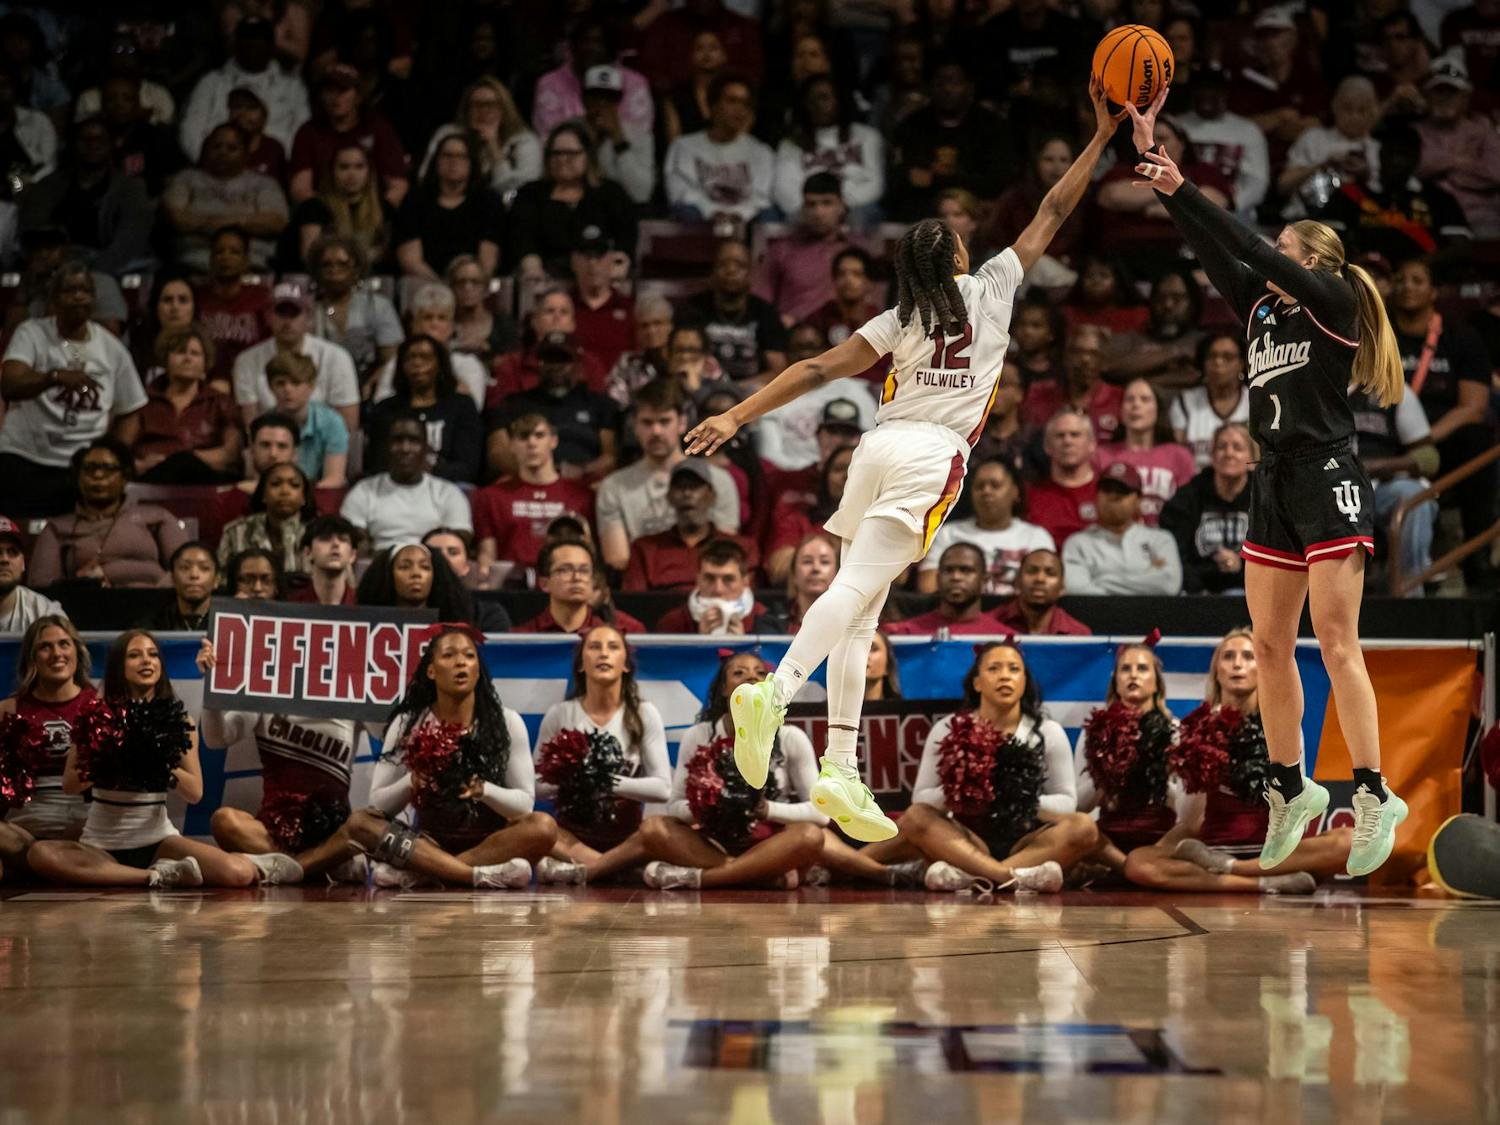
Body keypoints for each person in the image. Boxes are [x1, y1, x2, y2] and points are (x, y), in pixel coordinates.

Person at [683, 81, 1120, 843]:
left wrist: (735, 412)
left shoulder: (902, 315)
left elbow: (817, 369)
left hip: (876, 448)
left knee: (861, 613)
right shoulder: (991, 286)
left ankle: (842, 764)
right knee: (852, 590)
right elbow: (1052, 208)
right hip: (932, 455)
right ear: (955, 254)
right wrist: (1100, 135)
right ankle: (775, 692)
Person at [1131, 87, 1409, 875]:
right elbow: (1219, 252)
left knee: (1337, 641)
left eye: (1290, 249)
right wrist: (1165, 180)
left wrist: (1187, 186)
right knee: (1270, 644)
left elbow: (1249, 245)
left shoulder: (1335, 301)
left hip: (1327, 474)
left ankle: (1375, 790)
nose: (1275, 258)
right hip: (1272, 480)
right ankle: (1292, 786)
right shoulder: (1261, 313)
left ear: (1311, 261)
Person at [24, 631, 278, 889]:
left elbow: (194, 792)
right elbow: (70, 785)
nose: (147, 661)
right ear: (119, 668)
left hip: (159, 842)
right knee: (40, 854)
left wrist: (156, 759)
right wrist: (111, 753)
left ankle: (150, 870)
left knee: (238, 873)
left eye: (153, 654)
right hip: (101, 844)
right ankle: (154, 876)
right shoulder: (94, 717)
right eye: (134, 655)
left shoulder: (179, 722)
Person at [1123, 628, 1351, 894]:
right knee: (1138, 863)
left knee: (1350, 841)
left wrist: (1239, 861)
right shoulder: (1197, 727)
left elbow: (1294, 804)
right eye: (1228, 657)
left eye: (1248, 656)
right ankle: (1260, 884)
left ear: (1263, 666)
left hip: (1272, 851)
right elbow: (1189, 818)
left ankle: (1237, 871)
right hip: (1211, 847)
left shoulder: (1284, 726)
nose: (1238, 664)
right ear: (1217, 672)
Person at [346, 625, 554, 889]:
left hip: (490, 842)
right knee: (360, 823)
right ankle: (474, 875)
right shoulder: (407, 723)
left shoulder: (507, 722)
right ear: (431, 671)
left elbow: (524, 805)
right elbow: (378, 804)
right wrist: (412, 781)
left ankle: (427, 874)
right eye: (448, 655)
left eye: (469, 656)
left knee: (543, 827)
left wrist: (484, 790)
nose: (460, 663)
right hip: (427, 843)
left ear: (479, 670)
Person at [892, 641, 1096, 893]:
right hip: (967, 838)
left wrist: (1018, 799)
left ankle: (974, 877)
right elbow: (920, 797)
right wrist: (964, 792)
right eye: (994, 668)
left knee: (1084, 827)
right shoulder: (949, 728)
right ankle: (1011, 878)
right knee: (915, 818)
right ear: (977, 683)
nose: (1005, 676)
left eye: (1014, 669)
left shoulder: (1047, 731)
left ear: (1024, 681)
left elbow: (1067, 802)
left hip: (1028, 841)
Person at [638, 652, 825, 891]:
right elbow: (674, 806)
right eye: (739, 673)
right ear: (724, 689)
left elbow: (821, 814)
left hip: (770, 843)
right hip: (712, 843)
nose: (751, 678)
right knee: (653, 828)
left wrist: (767, 809)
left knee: (811, 836)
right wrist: (708, 807)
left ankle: (700, 879)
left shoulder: (791, 737)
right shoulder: (698, 735)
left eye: (760, 673)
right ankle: (759, 875)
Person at [196, 635, 364, 880]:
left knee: (363, 828)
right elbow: (216, 739)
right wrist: (211, 685)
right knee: (224, 821)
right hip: (274, 831)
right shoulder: (263, 694)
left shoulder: (350, 697)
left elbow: (388, 732)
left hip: (331, 832)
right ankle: (312, 867)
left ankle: (289, 867)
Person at [0, 263, 148, 518]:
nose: (78, 296)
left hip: (79, 467)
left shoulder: (111, 348)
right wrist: (53, 377)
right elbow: (9, 384)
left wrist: (110, 455)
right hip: (24, 457)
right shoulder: (32, 333)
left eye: (85, 290)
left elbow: (131, 410)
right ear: (54, 298)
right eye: (69, 290)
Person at [531, 625, 670, 885]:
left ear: (625, 665)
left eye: (613, 647)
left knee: (658, 830)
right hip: (571, 840)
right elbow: (532, 788)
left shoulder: (643, 713)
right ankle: (613, 869)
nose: (603, 654)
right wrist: (572, 778)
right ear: (581, 665)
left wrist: (606, 781)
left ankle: (588, 872)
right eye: (594, 647)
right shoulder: (560, 714)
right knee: (535, 826)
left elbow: (663, 788)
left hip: (627, 840)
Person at [1387, 257, 1495, 583]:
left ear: (1434, 291)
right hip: (1384, 438)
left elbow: (1473, 407)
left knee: (1477, 441)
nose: (1408, 287)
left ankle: (1478, 557)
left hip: (1440, 441)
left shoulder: (1461, 337)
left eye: (1418, 281)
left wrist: (1424, 438)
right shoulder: (1379, 334)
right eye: (1401, 279)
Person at [1073, 640, 1192, 877]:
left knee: (1192, 835)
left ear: (1157, 682)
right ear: (1115, 681)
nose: (1133, 675)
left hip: (1160, 838)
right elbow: (1079, 805)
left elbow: (1186, 809)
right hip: (1107, 840)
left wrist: (1159, 772)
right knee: (1076, 831)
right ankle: (1135, 871)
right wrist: (1107, 773)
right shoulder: (1094, 731)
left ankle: (1124, 870)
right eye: (1125, 669)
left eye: (1142, 668)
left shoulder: (1175, 730)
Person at [595, 380, 739, 571]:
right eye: (647, 422)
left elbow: (725, 550)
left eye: (664, 421)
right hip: (643, 588)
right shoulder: (613, 486)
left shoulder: (718, 480)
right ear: (634, 425)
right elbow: (618, 560)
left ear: (682, 423)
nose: (656, 431)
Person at [0, 618, 97, 877]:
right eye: (45, 647)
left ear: (77, 650)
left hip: (85, 826)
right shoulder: (8, 710)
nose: (56, 654)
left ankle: (44, 867)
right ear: (32, 658)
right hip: (24, 831)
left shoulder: (100, 704)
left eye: (64, 644)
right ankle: (51, 865)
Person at [28, 439, 188, 588]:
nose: (98, 476)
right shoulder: (58, 528)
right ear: (77, 478)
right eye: (89, 469)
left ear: (124, 477)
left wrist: (160, 590)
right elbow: (41, 586)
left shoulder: (156, 517)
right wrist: (80, 583)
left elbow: (189, 569)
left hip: (157, 605)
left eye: (108, 469)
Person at [1318, 123, 1470, 263]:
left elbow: (1460, 247)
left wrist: (1419, 266)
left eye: (1403, 154)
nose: (1395, 161)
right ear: (1380, 154)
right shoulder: (1349, 195)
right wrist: (1362, 268)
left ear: (1416, 158)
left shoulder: (1439, 199)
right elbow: (1326, 242)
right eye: (1390, 152)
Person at [472, 414, 594, 585]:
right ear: (512, 445)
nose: (531, 443)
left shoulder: (582, 496)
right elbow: (487, 554)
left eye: (539, 435)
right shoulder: (490, 497)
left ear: (553, 441)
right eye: (523, 436)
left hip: (566, 582)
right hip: (512, 586)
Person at [508, 121, 637, 282]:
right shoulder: (530, 194)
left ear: (588, 156)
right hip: (546, 277)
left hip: (600, 276)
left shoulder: (611, 193)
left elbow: (625, 237)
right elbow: (523, 239)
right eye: (556, 153)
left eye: (571, 153)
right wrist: (533, 268)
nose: (562, 159)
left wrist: (618, 263)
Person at [887, 58, 1014, 221]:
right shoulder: (911, 126)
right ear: (930, 87)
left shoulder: (992, 127)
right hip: (923, 210)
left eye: (954, 82)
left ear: (969, 87)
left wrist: (937, 179)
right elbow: (905, 179)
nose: (947, 89)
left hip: (976, 207)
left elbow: (998, 180)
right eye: (940, 83)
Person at [484, 332, 620, 482]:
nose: (555, 367)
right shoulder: (514, 404)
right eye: (549, 360)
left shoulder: (600, 404)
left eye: (563, 360)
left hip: (582, 482)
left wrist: (583, 471)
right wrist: (537, 474)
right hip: (525, 481)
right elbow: (497, 452)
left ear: (578, 364)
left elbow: (611, 457)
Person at [232, 280, 360, 433]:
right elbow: (251, 426)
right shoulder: (246, 361)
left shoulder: (337, 357)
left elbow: (347, 425)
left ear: (308, 317)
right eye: (281, 312)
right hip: (271, 449)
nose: (287, 322)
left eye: (294, 313)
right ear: (267, 316)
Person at [1350, 383, 1441, 594]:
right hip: (1327, 485)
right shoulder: (1314, 385)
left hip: (1377, 488)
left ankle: (1410, 594)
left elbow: (1429, 458)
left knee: (1414, 497)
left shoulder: (1390, 390)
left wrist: (1380, 466)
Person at [178, 16, 309, 163]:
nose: (252, 44)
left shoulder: (292, 86)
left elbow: (302, 134)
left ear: (271, 45)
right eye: (247, 38)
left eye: (259, 38)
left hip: (274, 169)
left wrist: (275, 163)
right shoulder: (211, 81)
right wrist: (214, 163)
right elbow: (190, 130)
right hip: (216, 168)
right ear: (236, 43)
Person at [918, 458, 1054, 598]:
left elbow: (1049, 589)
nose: (986, 491)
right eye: (979, 486)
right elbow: (928, 587)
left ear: (1015, 491)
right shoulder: (949, 533)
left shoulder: (1036, 537)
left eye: (995, 485)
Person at [162, 122, 288, 271]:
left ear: (246, 153)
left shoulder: (264, 184)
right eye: (216, 146)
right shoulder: (186, 178)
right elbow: (173, 216)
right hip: (193, 261)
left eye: (231, 148)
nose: (222, 152)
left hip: (252, 263)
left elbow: (276, 222)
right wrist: (240, 223)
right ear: (206, 149)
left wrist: (221, 223)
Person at [622, 460, 759, 593]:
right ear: (669, 497)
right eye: (680, 487)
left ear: (712, 496)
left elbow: (748, 602)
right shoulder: (644, 549)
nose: (687, 494)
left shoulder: (743, 548)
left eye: (695, 487)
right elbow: (634, 603)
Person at [341, 415, 473, 553]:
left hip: (433, 565)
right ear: (386, 447)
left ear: (426, 448)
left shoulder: (448, 493)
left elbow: (461, 538)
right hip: (379, 564)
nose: (405, 448)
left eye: (414, 441)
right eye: (398, 441)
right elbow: (352, 536)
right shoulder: (364, 490)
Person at [130, 327, 244, 485]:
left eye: (195, 353)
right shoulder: (143, 401)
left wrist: (178, 459)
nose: (187, 358)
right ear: (166, 359)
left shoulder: (220, 402)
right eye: (180, 352)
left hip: (203, 480)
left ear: (206, 362)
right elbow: (121, 451)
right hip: (151, 478)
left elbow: (230, 455)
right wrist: (141, 465)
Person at [366, 336, 484, 484]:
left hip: (448, 487)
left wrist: (429, 473)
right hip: (396, 487)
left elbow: (467, 466)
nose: (417, 363)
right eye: (410, 358)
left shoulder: (462, 406)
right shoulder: (385, 409)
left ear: (440, 364)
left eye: (425, 358)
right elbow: (377, 464)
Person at [287, 63, 407, 207]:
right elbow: (301, 189)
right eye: (329, 90)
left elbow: (398, 186)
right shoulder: (308, 132)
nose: (335, 97)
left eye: (342, 90)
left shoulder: (378, 129)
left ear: (358, 96)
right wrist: (329, 215)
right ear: (320, 96)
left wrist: (376, 216)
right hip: (324, 213)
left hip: (373, 212)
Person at [663, 74, 774, 226]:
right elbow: (681, 193)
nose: (739, 109)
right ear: (713, 106)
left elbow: (761, 196)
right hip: (700, 221)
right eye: (732, 101)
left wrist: (739, 214)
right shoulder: (683, 147)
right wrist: (712, 212)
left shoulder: (761, 152)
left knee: (769, 214)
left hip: (745, 223)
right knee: (686, 211)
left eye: (745, 104)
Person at [773, 74, 884, 226]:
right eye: (811, 99)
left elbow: (874, 185)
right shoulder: (790, 144)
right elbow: (784, 191)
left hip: (854, 209)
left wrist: (837, 206)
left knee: (866, 214)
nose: (818, 104)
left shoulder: (868, 136)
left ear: (839, 100)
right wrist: (816, 210)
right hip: (807, 212)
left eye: (824, 97)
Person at [395, 127, 502, 282]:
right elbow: (410, 260)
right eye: (447, 155)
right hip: (425, 286)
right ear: (436, 161)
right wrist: (442, 288)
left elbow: (488, 260)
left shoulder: (488, 201)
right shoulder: (414, 201)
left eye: (461, 156)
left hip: (472, 285)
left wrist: (466, 285)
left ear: (472, 162)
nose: (454, 161)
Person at [1062, 462, 1183, 596]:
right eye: (1107, 490)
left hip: (1151, 616)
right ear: (1096, 497)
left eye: (1123, 491)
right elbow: (1077, 590)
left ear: (1138, 499)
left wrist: (1103, 581)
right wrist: (1145, 580)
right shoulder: (1077, 543)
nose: (1114, 496)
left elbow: (1168, 585)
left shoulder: (1160, 539)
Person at [1161, 423, 1254, 596]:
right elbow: (1176, 556)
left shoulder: (1264, 498)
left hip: (1250, 589)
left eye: (1238, 448)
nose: (1229, 453)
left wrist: (1241, 566)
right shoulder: (1188, 497)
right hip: (1196, 592)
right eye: (1221, 447)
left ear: (1252, 459)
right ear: (1212, 456)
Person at [754, 174, 859, 328]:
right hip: (794, 340)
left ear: (842, 206)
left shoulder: (855, 251)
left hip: (845, 340)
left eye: (827, 203)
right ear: (803, 208)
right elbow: (759, 304)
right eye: (811, 204)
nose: (818, 212)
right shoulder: (781, 251)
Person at [1416, 51, 1500, 238]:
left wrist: (1439, 169)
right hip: (1431, 217)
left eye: (1452, 91)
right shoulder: (1415, 132)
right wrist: (1456, 161)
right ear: (1426, 95)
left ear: (1465, 97)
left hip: (1480, 216)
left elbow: (1496, 172)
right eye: (1438, 91)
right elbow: (1415, 169)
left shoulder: (1483, 129)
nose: (1445, 97)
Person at [369, 283, 490, 408]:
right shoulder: (397, 363)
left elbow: (474, 409)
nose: (434, 324)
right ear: (414, 324)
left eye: (442, 318)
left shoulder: (468, 365)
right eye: (427, 317)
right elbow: (381, 407)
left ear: (451, 327)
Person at [983, 135, 1085, 284]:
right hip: (1018, 274)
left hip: (1068, 275)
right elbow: (996, 240)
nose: (1056, 167)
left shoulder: (1083, 199)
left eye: (1063, 160)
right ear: (1036, 163)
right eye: (1049, 160)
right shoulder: (1015, 198)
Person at [1094, 379, 1197, 525]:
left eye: (1145, 399)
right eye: (1129, 399)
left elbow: (1189, 507)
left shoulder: (1179, 456)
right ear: (1121, 411)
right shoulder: (1101, 456)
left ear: (1158, 409)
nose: (1136, 405)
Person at [1176, 63, 1270, 220]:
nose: (1207, 94)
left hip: (1235, 214)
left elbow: (1257, 181)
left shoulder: (1247, 131)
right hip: (1184, 211)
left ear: (1225, 92)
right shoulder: (1177, 126)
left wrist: (1231, 203)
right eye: (1202, 87)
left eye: (1213, 89)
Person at [419, 78, 540, 200]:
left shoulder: (525, 141)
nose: (483, 111)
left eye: (490, 105)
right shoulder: (448, 134)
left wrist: (493, 146)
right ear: (467, 109)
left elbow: (522, 190)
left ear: (504, 108)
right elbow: (424, 176)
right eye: (476, 105)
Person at [531, 20, 654, 140]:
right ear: (572, 47)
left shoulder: (635, 83)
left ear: (611, 48)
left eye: (598, 41)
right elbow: (549, 136)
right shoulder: (549, 83)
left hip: (621, 155)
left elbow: (639, 136)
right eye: (585, 41)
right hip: (569, 156)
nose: (590, 48)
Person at [1278, 76, 1381, 217]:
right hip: (1305, 219)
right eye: (1347, 108)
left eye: (1362, 110)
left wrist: (1365, 175)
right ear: (1334, 106)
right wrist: (1324, 165)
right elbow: (1283, 185)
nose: (1354, 117)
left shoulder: (1379, 151)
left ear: (1373, 113)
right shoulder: (1313, 138)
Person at [286, 143, 395, 272]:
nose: (352, 174)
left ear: (369, 171)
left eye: (359, 167)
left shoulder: (385, 208)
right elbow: (309, 257)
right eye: (344, 167)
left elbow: (390, 254)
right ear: (332, 171)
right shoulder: (314, 207)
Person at [306, 233, 402, 378]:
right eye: (327, 265)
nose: (334, 271)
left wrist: (376, 381)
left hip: (369, 383)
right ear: (317, 271)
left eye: (342, 264)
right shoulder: (308, 309)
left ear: (356, 269)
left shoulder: (378, 305)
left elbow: (391, 358)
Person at [356, 543, 501, 631]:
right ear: (388, 576)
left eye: (425, 567)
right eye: (404, 567)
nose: (416, 574)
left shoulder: (452, 632)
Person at [1099, 269, 1206, 388]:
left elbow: (1196, 379)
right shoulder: (1129, 339)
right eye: (1160, 297)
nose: (1168, 305)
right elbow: (1107, 368)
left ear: (1193, 304)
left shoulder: (1203, 342)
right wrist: (1175, 354)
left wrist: (1137, 377)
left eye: (1177, 298)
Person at [763, 444, 853, 584]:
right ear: (825, 479)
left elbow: (899, 576)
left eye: (856, 469)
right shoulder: (798, 519)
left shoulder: (887, 519)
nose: (846, 476)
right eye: (838, 469)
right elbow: (779, 568)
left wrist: (809, 556)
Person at [195, 227, 272, 383]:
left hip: (253, 379)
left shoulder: (262, 297)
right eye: (219, 252)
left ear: (246, 260)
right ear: (210, 259)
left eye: (234, 252)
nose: (226, 257)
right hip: (205, 381)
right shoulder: (196, 297)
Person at [887, 543, 1013, 638]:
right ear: (938, 578)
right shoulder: (904, 633)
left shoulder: (1003, 637)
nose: (956, 577)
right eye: (948, 570)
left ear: (984, 580)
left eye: (966, 570)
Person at [513, 539, 638, 635]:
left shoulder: (618, 635)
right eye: (565, 570)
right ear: (544, 583)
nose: (577, 577)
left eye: (584, 570)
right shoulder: (522, 637)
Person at [1020, 324, 1122, 441]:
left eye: (1093, 354)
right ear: (1066, 357)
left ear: (1104, 362)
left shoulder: (1119, 399)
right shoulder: (1040, 394)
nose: (1085, 360)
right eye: (1078, 352)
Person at [805, 247, 888, 387]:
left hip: (872, 391)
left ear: (869, 282)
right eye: (841, 274)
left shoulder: (882, 321)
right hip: (828, 388)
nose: (848, 280)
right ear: (834, 280)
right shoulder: (819, 318)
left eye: (856, 274)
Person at [264, 351, 348, 488]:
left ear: (311, 386)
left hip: (320, 495)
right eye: (280, 383)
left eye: (296, 383)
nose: (288, 389)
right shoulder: (263, 424)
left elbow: (334, 479)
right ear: (270, 387)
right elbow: (259, 478)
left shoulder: (332, 422)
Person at [218, 461, 318, 575]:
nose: (285, 491)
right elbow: (221, 578)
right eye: (275, 484)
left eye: (294, 485)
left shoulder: (319, 534)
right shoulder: (235, 532)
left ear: (304, 497)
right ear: (263, 494)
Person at [1170, 332, 1251, 470]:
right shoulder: (1185, 402)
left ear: (1241, 364)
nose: (1218, 362)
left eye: (1228, 357)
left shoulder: (1254, 400)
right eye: (1211, 356)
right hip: (1197, 485)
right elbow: (1179, 459)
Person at [653, 539, 768, 634]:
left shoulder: (764, 620)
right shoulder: (672, 623)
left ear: (745, 581)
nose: (718, 589)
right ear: (698, 579)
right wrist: (701, 645)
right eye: (709, 578)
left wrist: (743, 649)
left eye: (728, 579)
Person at [1026, 407, 1099, 548]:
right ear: (1047, 446)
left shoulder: (1107, 492)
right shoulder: (1030, 494)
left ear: (1092, 444)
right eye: (1060, 435)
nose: (1067, 441)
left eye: (1075, 434)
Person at [568, 230, 635, 371]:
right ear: (573, 261)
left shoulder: (630, 309)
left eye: (599, 256)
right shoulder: (562, 310)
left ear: (611, 260)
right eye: (586, 256)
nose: (593, 263)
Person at [993, 548, 1091, 636]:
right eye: (1032, 571)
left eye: (1050, 573)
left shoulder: (1078, 634)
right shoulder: (990, 624)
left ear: (1062, 587)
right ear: (1017, 582)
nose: (1040, 579)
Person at [759, 531, 838, 634]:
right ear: (794, 574)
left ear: (837, 573)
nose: (816, 568)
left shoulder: (852, 621)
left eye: (824, 562)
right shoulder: (771, 621)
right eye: (807, 561)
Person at [605, 295, 675, 408]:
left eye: (657, 323)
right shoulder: (627, 362)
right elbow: (615, 402)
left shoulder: (684, 358)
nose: (651, 331)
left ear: (670, 326)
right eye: (644, 326)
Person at [449, 255, 517, 363]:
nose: (467, 287)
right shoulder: (443, 325)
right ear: (452, 288)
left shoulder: (504, 326)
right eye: (461, 282)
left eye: (475, 282)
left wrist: (488, 355)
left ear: (486, 289)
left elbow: (513, 365)